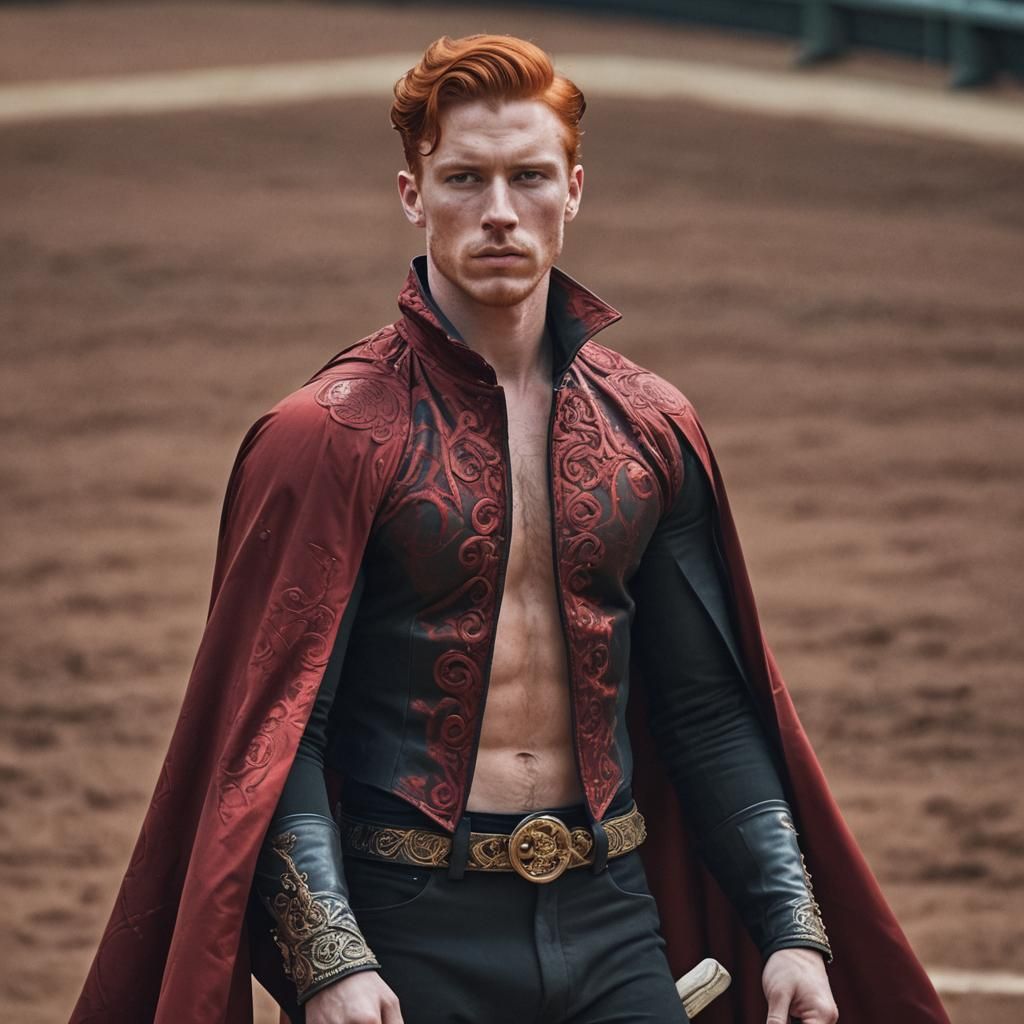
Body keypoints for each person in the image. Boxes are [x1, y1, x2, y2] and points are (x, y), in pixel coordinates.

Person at [69, 34, 950, 1024]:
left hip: (611, 912)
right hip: (408, 927)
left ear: (573, 189)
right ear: (413, 193)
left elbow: (707, 712)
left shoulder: (649, 426)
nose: (498, 210)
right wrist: (331, 959)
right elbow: (277, 731)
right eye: (464, 178)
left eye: (529, 176)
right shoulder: (329, 435)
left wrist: (789, 927)